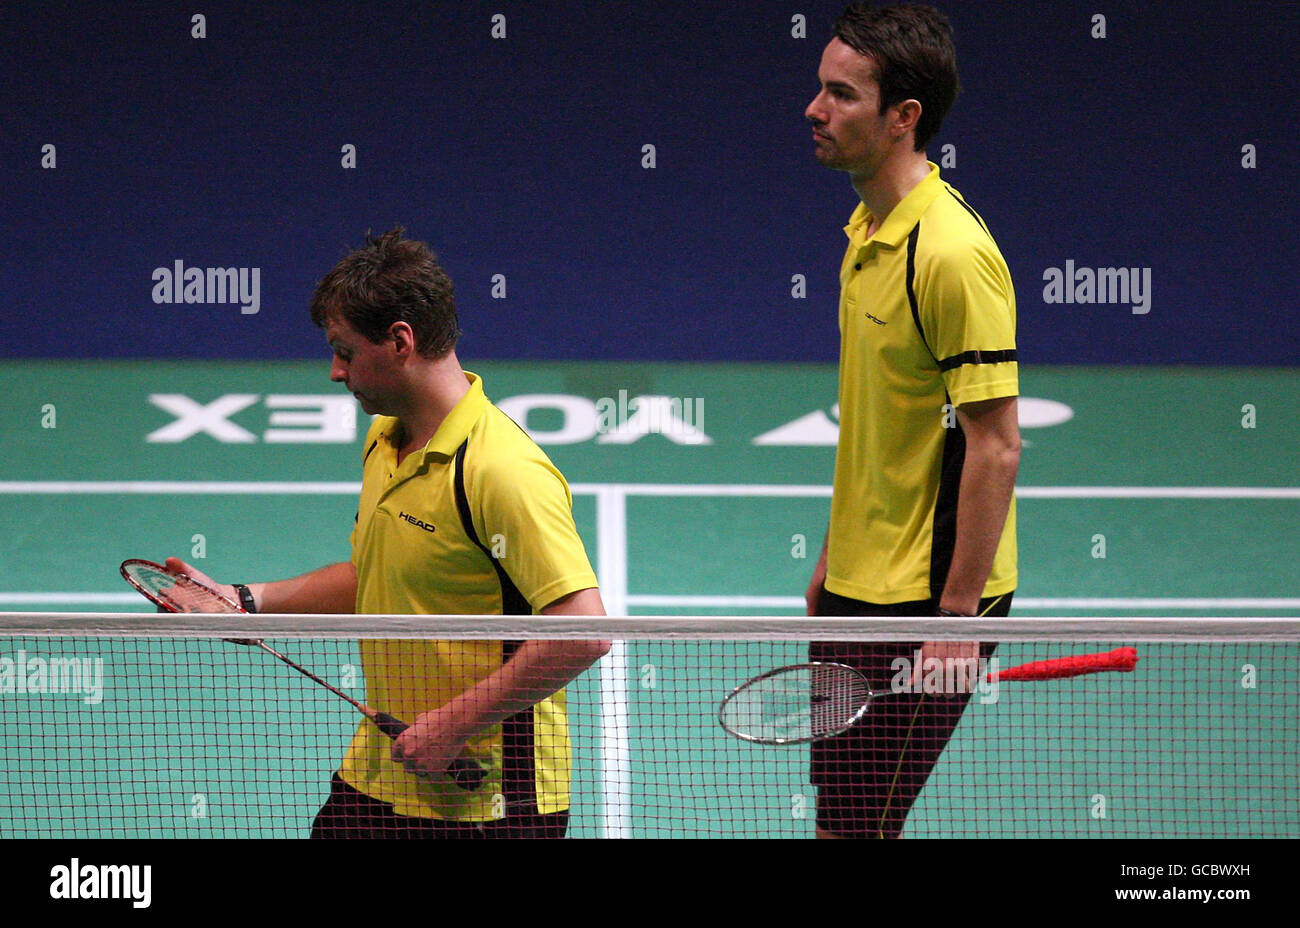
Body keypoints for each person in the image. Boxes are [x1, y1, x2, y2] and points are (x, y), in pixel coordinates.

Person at [170, 227, 609, 838]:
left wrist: (452, 725)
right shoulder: (386, 440)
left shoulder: (501, 470)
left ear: (400, 341)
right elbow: (375, 579)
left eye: (345, 350)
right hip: (385, 765)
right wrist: (249, 602)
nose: (333, 371)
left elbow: (584, 632)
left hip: (485, 795)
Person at [802, 2, 1021, 838]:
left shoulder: (952, 255)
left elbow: (995, 446)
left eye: (841, 95)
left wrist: (956, 618)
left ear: (903, 118)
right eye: (820, 89)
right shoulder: (867, 230)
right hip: (862, 580)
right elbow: (886, 429)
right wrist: (835, 554)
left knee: (862, 827)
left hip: (928, 598)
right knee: (842, 820)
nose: (815, 110)